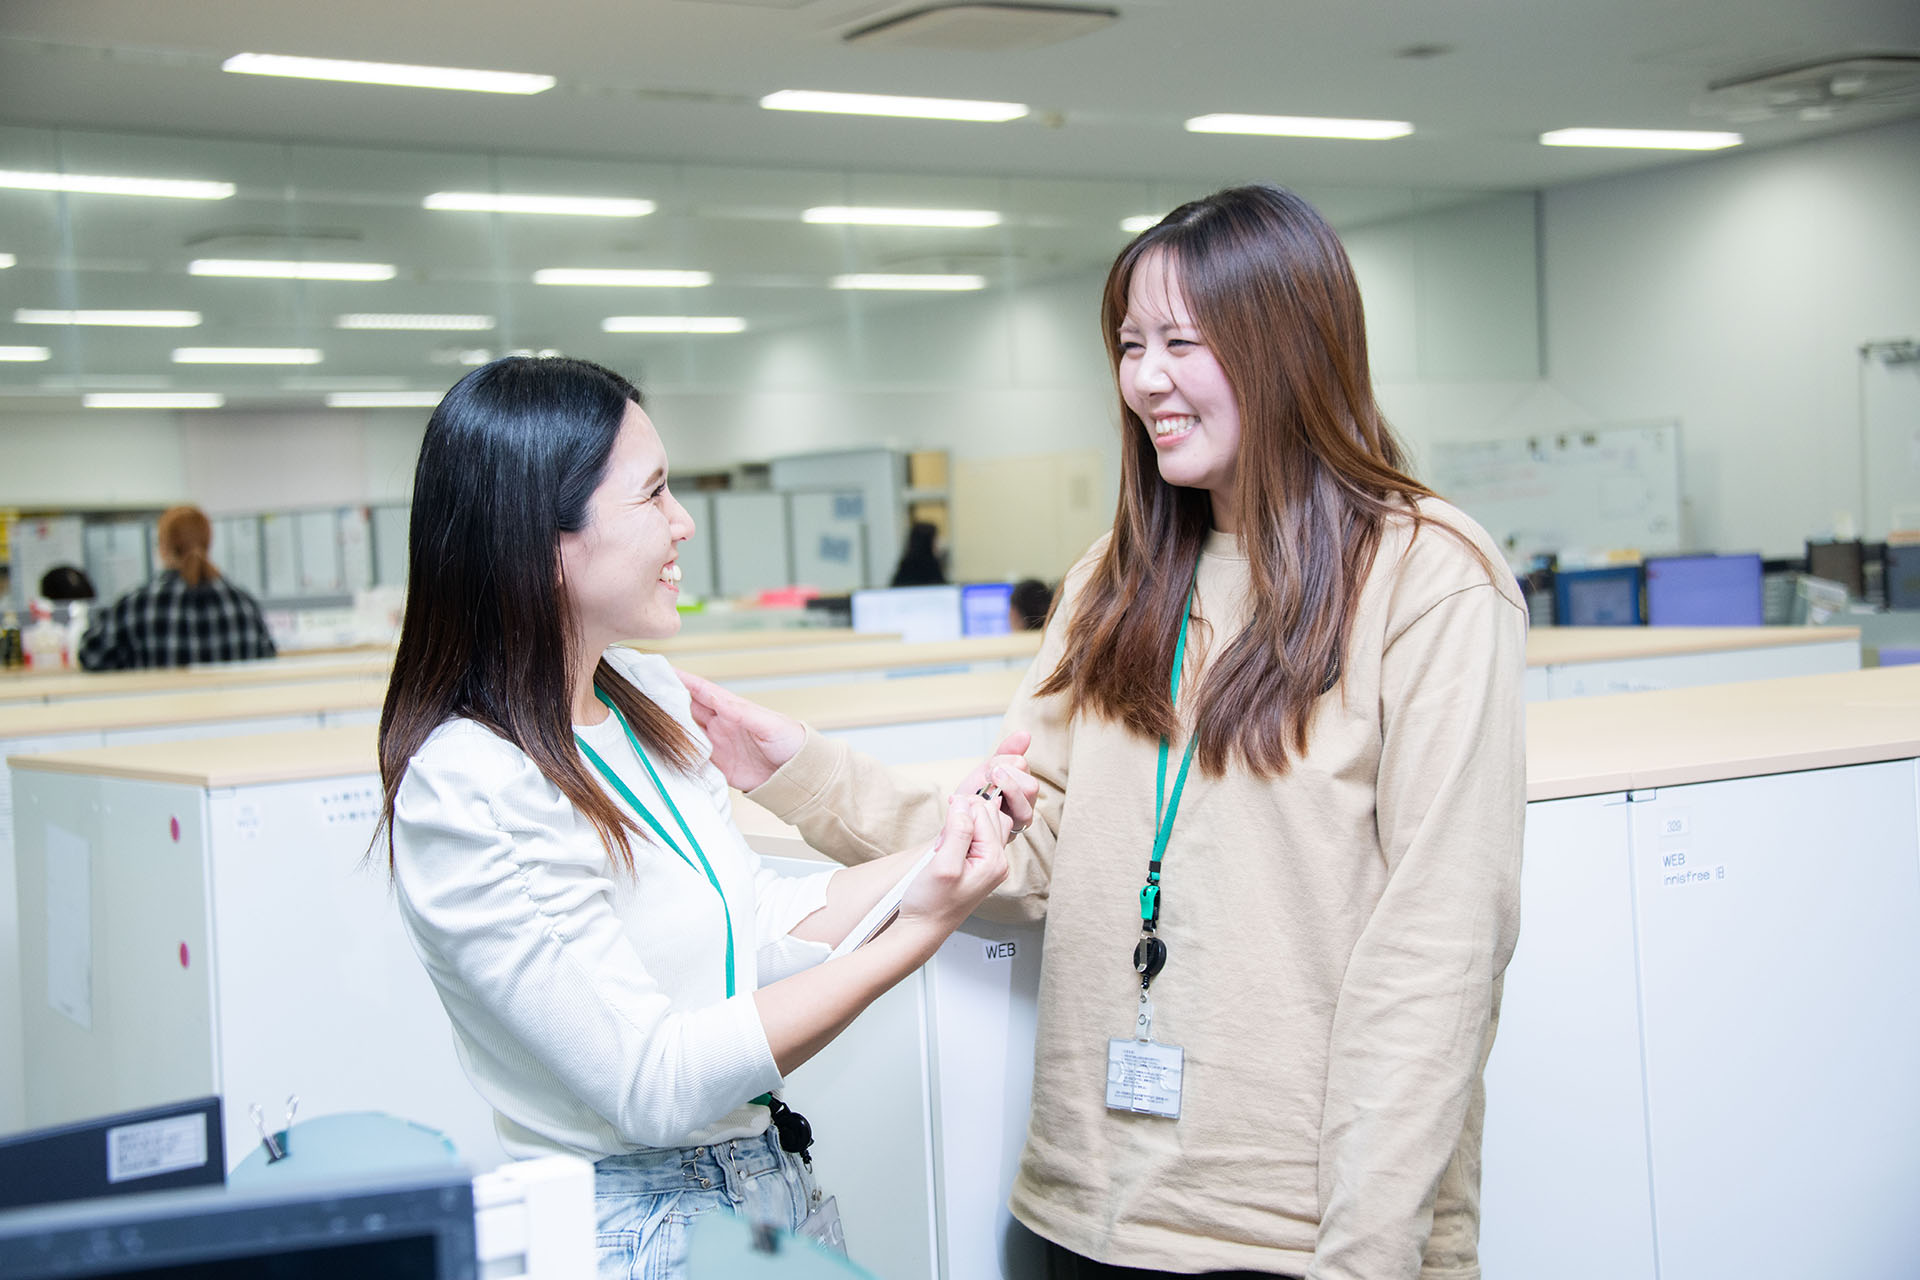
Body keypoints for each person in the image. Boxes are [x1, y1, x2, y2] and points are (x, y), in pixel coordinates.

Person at [680, 185, 1528, 1279]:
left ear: (1291, 345)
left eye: (1182, 341)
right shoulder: (1116, 580)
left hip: (1301, 1234)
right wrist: (800, 771)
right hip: (1080, 1211)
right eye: (1131, 345)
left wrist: (1366, 1255)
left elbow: (1439, 947)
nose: (1146, 379)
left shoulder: (1428, 578)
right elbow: (1029, 846)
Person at [373, 357, 1012, 1280]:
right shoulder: (471, 784)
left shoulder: (642, 696)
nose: (684, 522)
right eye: (654, 493)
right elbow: (655, 1084)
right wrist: (915, 937)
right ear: (544, 540)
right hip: (628, 1227)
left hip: (760, 1190)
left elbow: (751, 924)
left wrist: (945, 848)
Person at [78, 505, 277, 669]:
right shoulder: (243, 605)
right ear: (208, 543)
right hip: (232, 707)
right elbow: (266, 657)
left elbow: (91, 656)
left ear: (163, 547)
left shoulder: (136, 605)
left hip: (158, 706)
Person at [889, 520, 946, 587]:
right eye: (935, 540)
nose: (938, 544)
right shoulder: (932, 567)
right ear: (928, 542)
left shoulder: (905, 566)